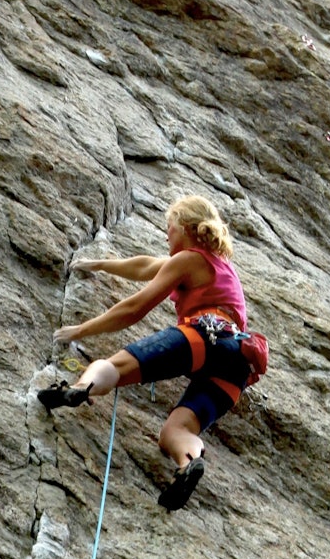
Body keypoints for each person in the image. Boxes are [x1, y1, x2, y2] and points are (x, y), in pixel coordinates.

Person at [39, 195, 262, 511]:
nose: (166, 235)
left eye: (169, 228)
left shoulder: (187, 260)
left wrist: (81, 330)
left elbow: (134, 308)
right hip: (237, 363)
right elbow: (145, 265)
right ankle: (189, 462)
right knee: (176, 431)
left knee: (114, 367)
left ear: (186, 227)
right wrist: (101, 264)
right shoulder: (219, 267)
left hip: (204, 336)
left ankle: (78, 389)